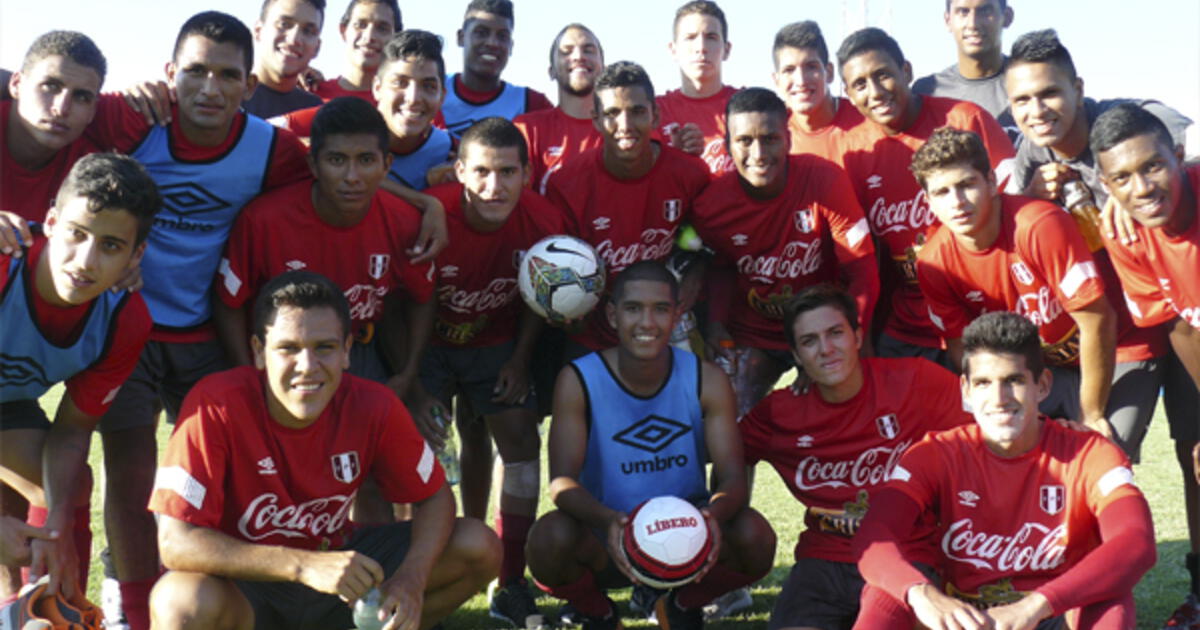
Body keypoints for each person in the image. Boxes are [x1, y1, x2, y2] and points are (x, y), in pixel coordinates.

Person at [82, 13, 312, 629]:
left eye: (227, 75)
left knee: (220, 483)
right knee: (130, 477)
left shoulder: (272, 149)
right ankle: (132, 610)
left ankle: (218, 600)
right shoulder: (132, 126)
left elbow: (343, 175)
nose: (209, 88)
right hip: (125, 327)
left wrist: (423, 199)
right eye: (196, 71)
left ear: (248, 85)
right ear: (169, 74)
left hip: (211, 334)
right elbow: (40, 95)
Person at [146, 270, 500, 630]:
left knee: (477, 545)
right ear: (258, 351)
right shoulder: (213, 405)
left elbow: (435, 498)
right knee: (180, 601)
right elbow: (176, 544)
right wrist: (301, 564)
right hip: (248, 586)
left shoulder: (374, 404)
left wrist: (412, 579)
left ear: (347, 351)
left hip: (336, 574)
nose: (307, 367)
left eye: (324, 348)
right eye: (288, 348)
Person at [853, 312, 1156, 630]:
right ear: (966, 391)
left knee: (1111, 602)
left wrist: (1035, 606)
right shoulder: (935, 454)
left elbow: (1136, 542)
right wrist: (921, 593)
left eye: (1014, 381)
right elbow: (873, 535)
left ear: (1042, 385)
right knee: (884, 593)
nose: (998, 399)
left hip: (1054, 611)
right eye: (983, 383)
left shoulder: (1091, 453)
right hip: (966, 616)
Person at [526, 261, 775, 630]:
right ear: (612, 315)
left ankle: (682, 606)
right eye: (632, 309)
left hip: (687, 531)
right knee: (547, 538)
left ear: (677, 315)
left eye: (660, 309)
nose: (647, 322)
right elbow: (561, 483)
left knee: (756, 536)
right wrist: (610, 521)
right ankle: (598, 613)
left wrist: (712, 518)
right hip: (607, 533)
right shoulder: (578, 379)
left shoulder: (706, 378)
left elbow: (732, 477)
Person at [738, 284, 970, 630]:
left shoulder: (914, 381)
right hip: (823, 562)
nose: (826, 349)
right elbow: (729, 452)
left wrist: (1062, 431)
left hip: (905, 554)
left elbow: (992, 417)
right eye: (810, 341)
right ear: (797, 357)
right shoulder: (780, 412)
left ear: (858, 336)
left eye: (835, 333)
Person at [416, 117, 565, 628]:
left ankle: (510, 579)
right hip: (428, 343)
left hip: (496, 343)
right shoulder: (435, 216)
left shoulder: (543, 222)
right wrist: (412, 378)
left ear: (527, 173)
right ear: (458, 171)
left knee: (521, 438)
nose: (493, 185)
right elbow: (407, 302)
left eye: (506, 172)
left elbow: (539, 297)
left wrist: (521, 359)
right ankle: (417, 569)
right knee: (416, 446)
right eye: (480, 171)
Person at [0, 153, 159, 600]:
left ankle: (50, 609)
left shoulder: (124, 319)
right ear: (50, 221)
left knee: (65, 493)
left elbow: (71, 430)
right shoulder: (4, 263)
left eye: (111, 245)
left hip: (8, 405)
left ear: (136, 254)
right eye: (76, 234)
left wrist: (59, 530)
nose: (85, 260)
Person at [911, 127, 1136, 438]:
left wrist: (1092, 414)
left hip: (1120, 348)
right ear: (928, 200)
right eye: (942, 192)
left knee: (1104, 446)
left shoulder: (1039, 225)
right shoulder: (934, 262)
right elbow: (962, 348)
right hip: (1040, 371)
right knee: (1007, 447)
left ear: (991, 182)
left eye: (966, 185)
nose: (958, 201)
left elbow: (1098, 320)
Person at [215, 97, 435, 401]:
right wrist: (250, 376)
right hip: (281, 353)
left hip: (357, 348)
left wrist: (408, 374)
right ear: (313, 164)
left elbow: (422, 298)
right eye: (337, 160)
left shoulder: (407, 223)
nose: (352, 177)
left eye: (366, 160)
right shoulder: (263, 220)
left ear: (386, 165)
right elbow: (228, 302)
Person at [691, 87, 878, 417]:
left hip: (822, 326)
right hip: (753, 332)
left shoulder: (825, 180)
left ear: (788, 139)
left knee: (849, 420)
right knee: (727, 428)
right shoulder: (710, 206)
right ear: (727, 145)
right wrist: (717, 323)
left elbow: (862, 270)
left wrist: (843, 336)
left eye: (770, 138)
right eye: (745, 140)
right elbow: (720, 265)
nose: (759, 152)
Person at [834, 27, 1015, 363]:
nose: (874, 91)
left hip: (981, 314)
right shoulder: (853, 151)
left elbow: (1015, 209)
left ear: (906, 71)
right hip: (906, 328)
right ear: (848, 94)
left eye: (883, 75)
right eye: (860, 84)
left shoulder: (963, 118)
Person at [1091, 102, 1200, 627]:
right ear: (1106, 186)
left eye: (1152, 166)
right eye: (1123, 178)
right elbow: (1179, 322)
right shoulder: (1125, 231)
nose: (1142, 188)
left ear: (1178, 156)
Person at [545, 61, 710, 354]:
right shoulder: (566, 183)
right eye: (611, 114)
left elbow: (706, 244)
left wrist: (696, 273)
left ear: (655, 115)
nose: (625, 125)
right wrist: (570, 310)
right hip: (594, 335)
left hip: (667, 326)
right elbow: (561, 267)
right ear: (595, 119)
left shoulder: (691, 175)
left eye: (637, 111)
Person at [1004, 29, 1192, 208]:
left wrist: (1130, 197)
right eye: (1022, 100)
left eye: (1049, 94)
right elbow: (1008, 217)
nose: (1037, 111)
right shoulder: (1033, 151)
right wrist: (1030, 197)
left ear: (1078, 91)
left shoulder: (1138, 121)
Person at [1, 31, 107, 224]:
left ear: (93, 111)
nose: (61, 109)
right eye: (50, 86)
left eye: (81, 97)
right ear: (16, 84)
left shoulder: (91, 171)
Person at [437, 0, 552, 139]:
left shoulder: (532, 103)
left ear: (511, 46)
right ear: (461, 37)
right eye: (481, 33)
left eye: (502, 36)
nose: (492, 43)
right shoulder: (432, 88)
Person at [513, 23, 605, 194]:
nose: (578, 56)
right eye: (566, 51)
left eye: (588, 50)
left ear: (603, 68)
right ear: (551, 71)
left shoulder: (620, 129)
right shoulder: (527, 130)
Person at [912, 0, 1019, 140]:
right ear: (948, 20)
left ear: (1007, 17)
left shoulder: (1031, 84)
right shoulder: (927, 91)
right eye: (963, 12)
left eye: (985, 11)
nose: (973, 24)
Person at [656, 1, 737, 176]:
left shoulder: (748, 107)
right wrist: (673, 156)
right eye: (690, 37)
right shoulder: (652, 112)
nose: (701, 48)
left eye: (711, 37)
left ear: (727, 49)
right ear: (673, 50)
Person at [770, 21, 863, 162]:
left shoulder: (866, 123)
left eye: (811, 67)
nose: (801, 81)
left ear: (829, 72)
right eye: (789, 70)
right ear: (776, 81)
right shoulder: (772, 137)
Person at [243, 0, 324, 119]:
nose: (294, 39)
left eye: (307, 31)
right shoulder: (227, 98)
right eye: (284, 24)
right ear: (258, 31)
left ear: (317, 48)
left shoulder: (317, 114)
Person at [311, 0, 401, 102]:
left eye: (382, 28)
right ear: (343, 31)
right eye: (361, 25)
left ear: (395, 38)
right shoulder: (312, 95)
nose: (369, 36)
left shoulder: (399, 106)